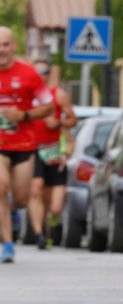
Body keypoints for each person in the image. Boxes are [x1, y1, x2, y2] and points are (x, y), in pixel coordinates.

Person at [0, 29, 52, 263]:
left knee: (21, 198)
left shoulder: (29, 74)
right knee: (0, 186)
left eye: (5, 44)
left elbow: (48, 106)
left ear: (14, 46)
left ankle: (12, 212)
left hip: (23, 143)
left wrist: (24, 115)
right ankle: (7, 244)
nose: (1, 49)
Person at [27, 60, 76, 249]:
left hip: (55, 149)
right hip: (32, 149)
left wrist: (58, 123)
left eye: (44, 71)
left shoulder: (59, 95)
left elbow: (72, 120)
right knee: (36, 188)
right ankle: (39, 234)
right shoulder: (25, 96)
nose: (40, 74)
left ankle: (50, 222)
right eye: (36, 71)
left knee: (54, 205)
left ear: (49, 74)